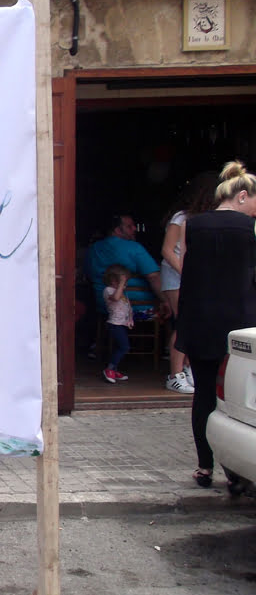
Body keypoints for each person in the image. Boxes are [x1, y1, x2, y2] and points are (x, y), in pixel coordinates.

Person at [176, 160, 256, 489]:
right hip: (240, 326)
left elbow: (188, 273)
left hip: (201, 322)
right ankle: (236, 472)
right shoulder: (249, 230)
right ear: (241, 195)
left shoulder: (194, 226)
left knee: (205, 396)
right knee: (239, 400)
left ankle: (204, 466)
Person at [160, 173, 219, 394]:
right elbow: (167, 250)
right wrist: (186, 272)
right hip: (176, 276)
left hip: (192, 275)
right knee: (184, 323)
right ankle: (174, 375)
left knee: (193, 323)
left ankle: (186, 367)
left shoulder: (204, 219)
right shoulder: (181, 218)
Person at [86, 213, 169, 318]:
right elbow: (154, 277)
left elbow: (88, 275)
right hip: (136, 308)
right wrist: (166, 300)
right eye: (129, 227)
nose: (135, 228)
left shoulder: (93, 249)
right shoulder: (134, 247)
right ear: (117, 230)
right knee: (170, 308)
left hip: (104, 307)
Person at [101, 264, 133, 384]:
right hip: (114, 324)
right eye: (122, 281)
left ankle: (114, 369)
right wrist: (120, 285)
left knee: (120, 347)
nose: (125, 285)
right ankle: (109, 368)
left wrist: (129, 320)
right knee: (124, 347)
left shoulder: (122, 293)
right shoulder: (108, 290)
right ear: (113, 280)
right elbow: (115, 298)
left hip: (122, 324)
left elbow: (127, 308)